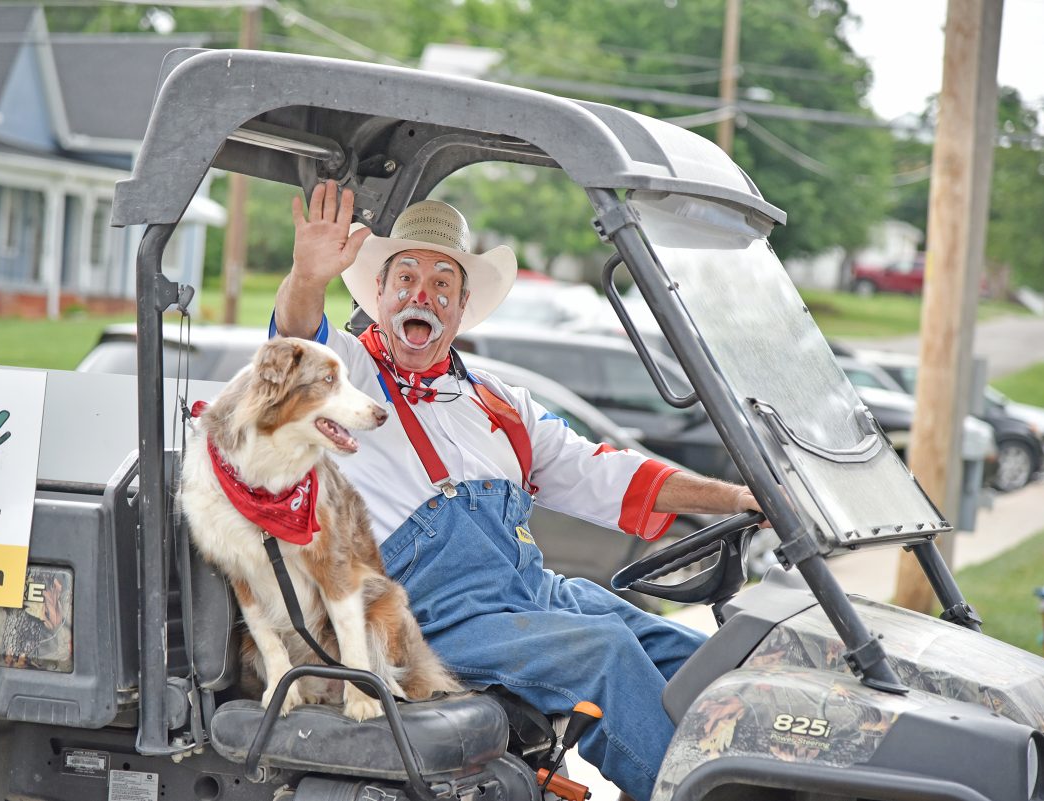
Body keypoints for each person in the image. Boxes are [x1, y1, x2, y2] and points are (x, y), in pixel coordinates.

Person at [272, 181, 764, 801]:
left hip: (526, 597)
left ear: (460, 305)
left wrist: (742, 498)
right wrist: (307, 276)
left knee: (686, 648)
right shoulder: (350, 378)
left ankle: (771, 774)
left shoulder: (500, 403)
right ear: (379, 294)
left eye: (442, 283)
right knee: (604, 652)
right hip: (426, 620)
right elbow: (296, 335)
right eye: (405, 279)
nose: (421, 294)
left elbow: (607, 475)